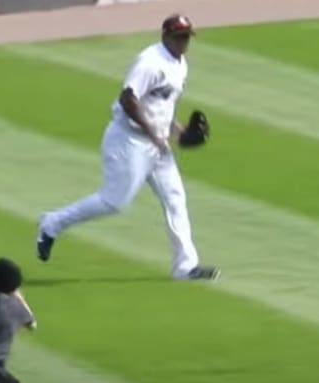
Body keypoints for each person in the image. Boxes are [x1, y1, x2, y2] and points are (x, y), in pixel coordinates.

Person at [35, 14, 220, 281]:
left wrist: (178, 134)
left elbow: (164, 107)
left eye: (187, 37)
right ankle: (52, 223)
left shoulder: (181, 65)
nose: (184, 43)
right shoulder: (149, 62)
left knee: (175, 198)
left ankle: (185, 266)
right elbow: (128, 99)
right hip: (128, 141)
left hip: (155, 143)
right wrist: (152, 134)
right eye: (179, 37)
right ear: (166, 36)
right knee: (114, 202)